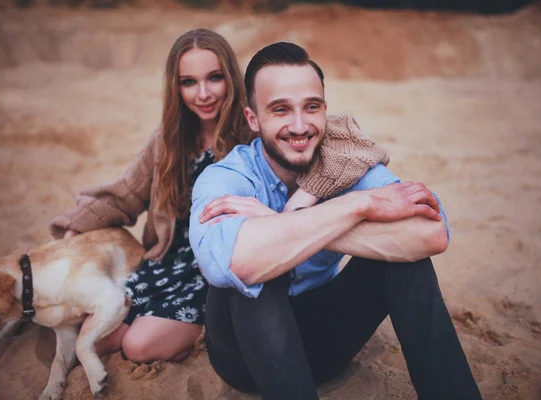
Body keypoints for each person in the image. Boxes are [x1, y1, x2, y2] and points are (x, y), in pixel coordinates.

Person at [49, 29, 388, 364]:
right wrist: (75, 227)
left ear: (231, 77)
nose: (204, 93)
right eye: (189, 82)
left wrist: (307, 194)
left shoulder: (255, 128)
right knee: (87, 325)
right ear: (176, 87)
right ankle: (153, 324)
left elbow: (337, 147)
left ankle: (182, 332)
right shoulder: (169, 140)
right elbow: (124, 194)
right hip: (167, 261)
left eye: (214, 78)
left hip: (215, 266)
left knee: (138, 346)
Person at [189, 42, 483, 399]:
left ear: (325, 111)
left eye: (310, 107)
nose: (299, 126)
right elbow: (230, 264)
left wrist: (289, 219)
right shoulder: (226, 178)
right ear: (253, 119)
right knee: (259, 273)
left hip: (325, 344)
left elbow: (431, 235)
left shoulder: (346, 165)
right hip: (241, 356)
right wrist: (358, 208)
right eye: (280, 110)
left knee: (408, 264)